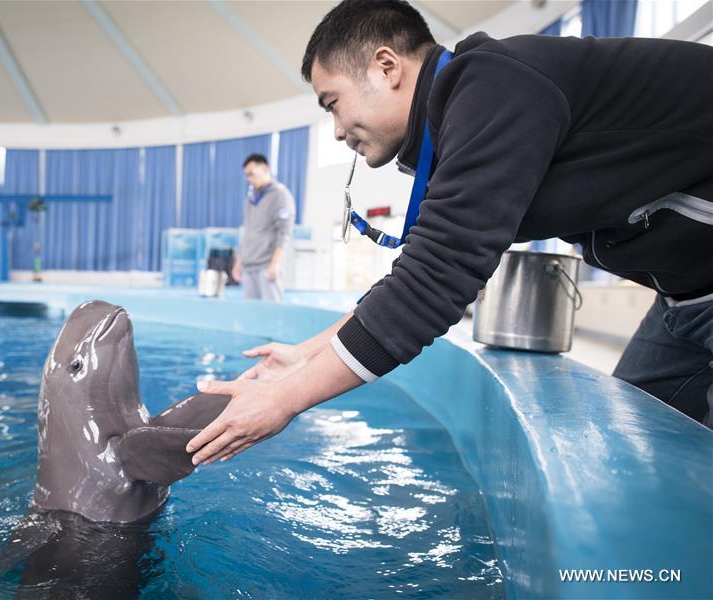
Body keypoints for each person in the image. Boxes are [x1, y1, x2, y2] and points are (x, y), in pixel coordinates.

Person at [186, 0, 713, 465]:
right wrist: (308, 353)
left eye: (333, 104)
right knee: (639, 460)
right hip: (686, 297)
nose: (338, 131)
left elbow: (437, 281)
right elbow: (421, 270)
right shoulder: (461, 125)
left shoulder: (494, 83)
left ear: (386, 66)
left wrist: (285, 399)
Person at [231, 154, 296, 302]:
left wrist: (276, 263)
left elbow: (284, 232)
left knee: (271, 315)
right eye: (246, 175)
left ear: (265, 169)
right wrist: (239, 262)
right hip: (248, 267)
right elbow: (247, 232)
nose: (249, 179)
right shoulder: (250, 200)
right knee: (251, 316)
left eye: (251, 174)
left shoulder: (280, 195)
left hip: (267, 266)